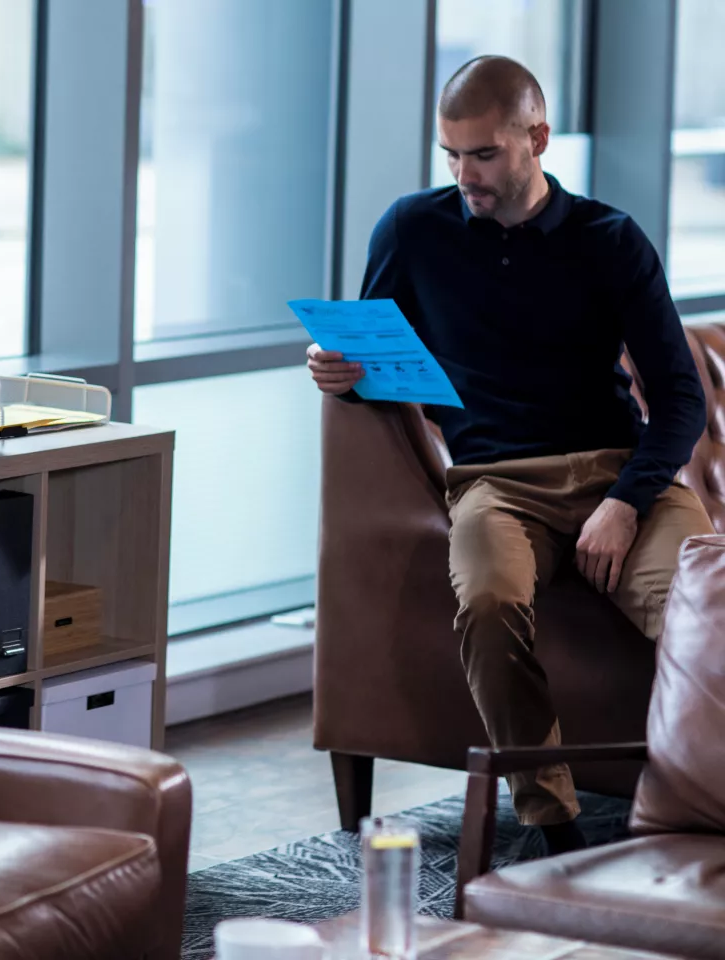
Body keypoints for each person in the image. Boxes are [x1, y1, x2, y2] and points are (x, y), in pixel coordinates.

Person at [306, 55, 714, 854]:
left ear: (538, 139)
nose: (465, 174)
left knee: (705, 618)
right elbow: (379, 367)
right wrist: (340, 375)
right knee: (489, 599)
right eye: (450, 155)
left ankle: (705, 807)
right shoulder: (412, 229)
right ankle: (550, 820)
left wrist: (625, 504)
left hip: (619, 476)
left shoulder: (610, 239)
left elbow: (680, 399)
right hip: (496, 484)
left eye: (483, 154)